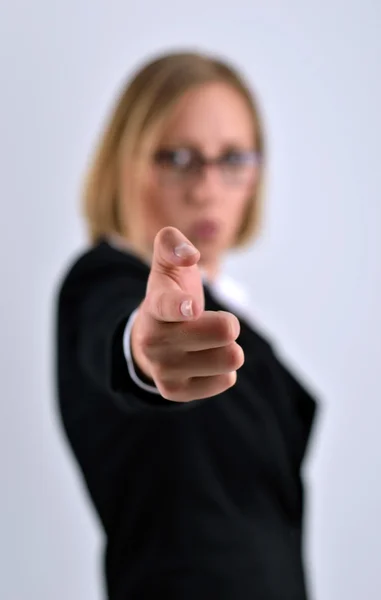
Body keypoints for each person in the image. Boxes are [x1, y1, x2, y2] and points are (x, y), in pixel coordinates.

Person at [55, 50, 318, 599]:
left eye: (233, 159)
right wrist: (148, 354)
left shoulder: (238, 315)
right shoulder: (102, 282)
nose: (207, 187)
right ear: (126, 162)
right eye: (177, 158)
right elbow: (124, 341)